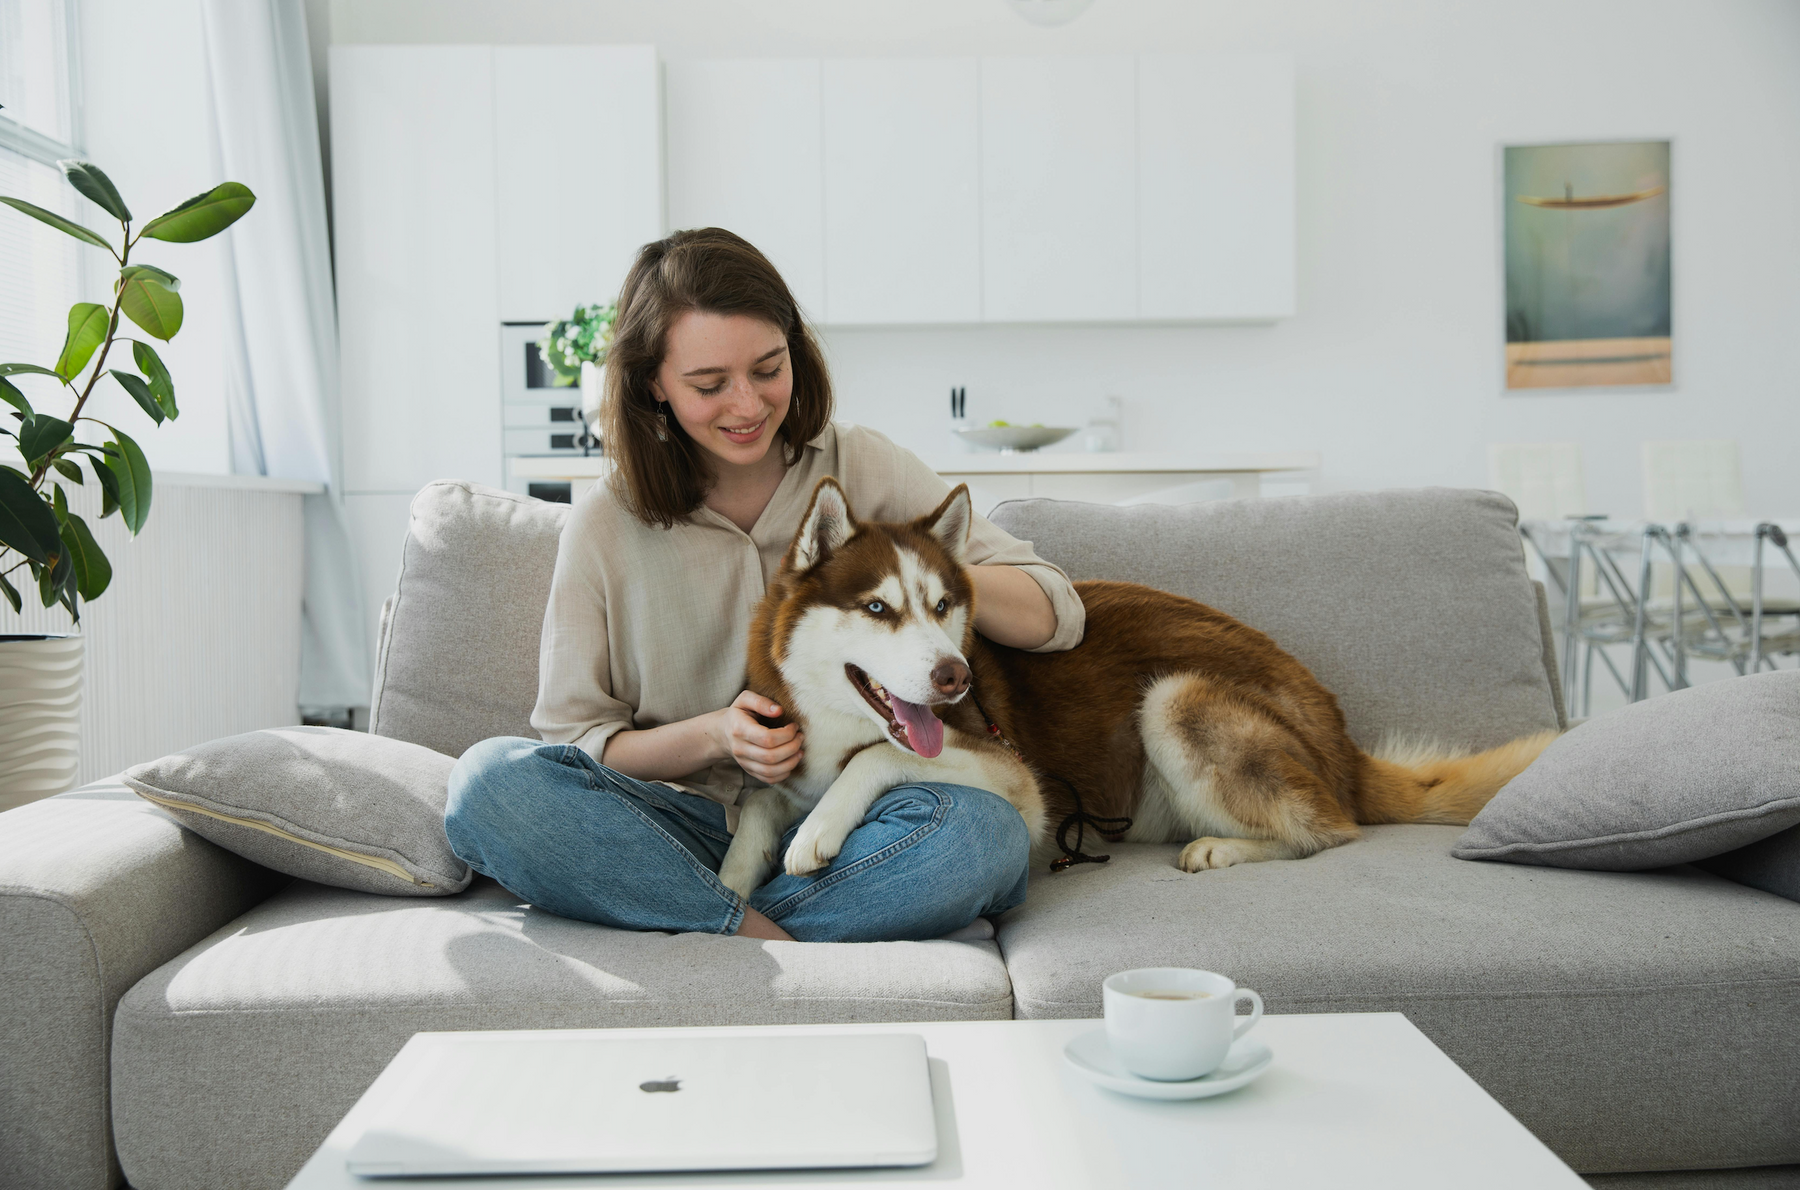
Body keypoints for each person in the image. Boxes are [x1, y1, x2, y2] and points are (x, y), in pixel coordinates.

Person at [444, 228, 1085, 943]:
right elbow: (580, 741)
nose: (747, 405)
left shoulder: (862, 465)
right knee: (487, 784)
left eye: (768, 368)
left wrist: (917, 569)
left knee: (982, 835)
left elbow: (1055, 613)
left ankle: (717, 931)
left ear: (795, 351)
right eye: (709, 384)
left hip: (856, 820)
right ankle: (760, 932)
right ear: (653, 383)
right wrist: (717, 736)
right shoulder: (604, 526)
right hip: (677, 826)